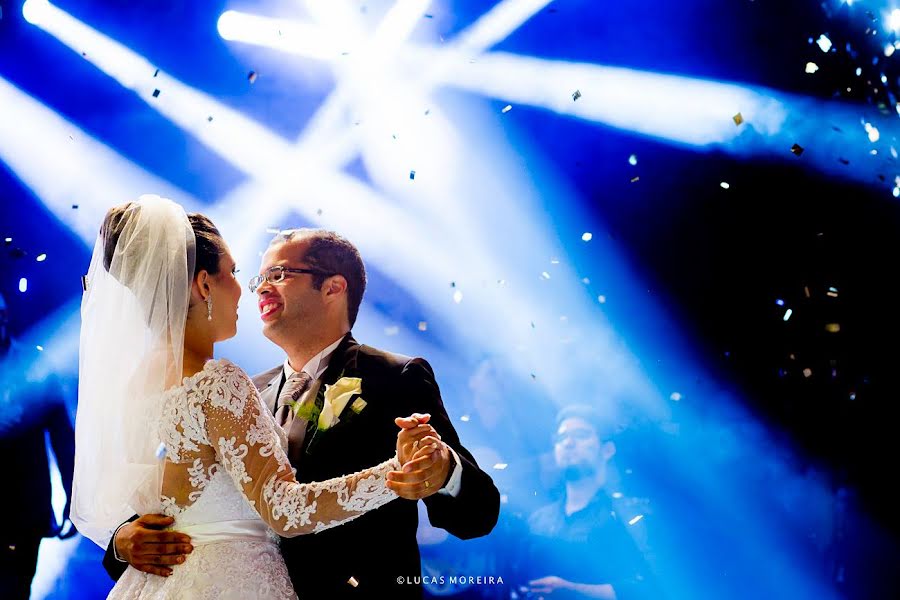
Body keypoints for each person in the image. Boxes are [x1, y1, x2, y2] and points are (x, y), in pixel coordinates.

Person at [104, 222, 501, 597]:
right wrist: (124, 540)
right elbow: (183, 487)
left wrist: (443, 470)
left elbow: (479, 513)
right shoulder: (242, 390)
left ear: (333, 287)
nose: (258, 289)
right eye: (257, 278)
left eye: (278, 275)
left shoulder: (395, 376)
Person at [522, 404, 656, 600]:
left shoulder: (631, 516)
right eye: (561, 437)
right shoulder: (538, 520)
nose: (567, 443)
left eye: (581, 435)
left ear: (607, 450)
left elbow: (649, 588)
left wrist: (573, 591)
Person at [0, 291, 76, 599]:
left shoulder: (36, 366)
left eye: (2, 313)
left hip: (26, 512)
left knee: (18, 590)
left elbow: (63, 438)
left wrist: (74, 497)